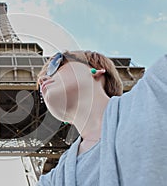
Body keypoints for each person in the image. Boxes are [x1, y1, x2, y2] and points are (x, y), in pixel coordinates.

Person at [37, 50, 167, 186]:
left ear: (96, 70)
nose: (42, 80)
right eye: (40, 89)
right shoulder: (52, 180)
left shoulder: (155, 89)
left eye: (55, 65)